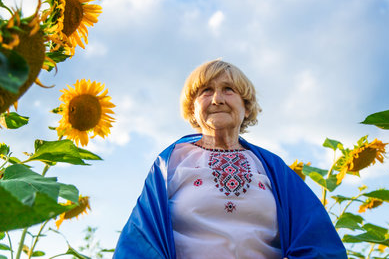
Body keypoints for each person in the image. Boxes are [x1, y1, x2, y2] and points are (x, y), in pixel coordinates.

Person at [113, 59, 347, 258]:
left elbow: (318, 239)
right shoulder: (170, 163)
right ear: (193, 108)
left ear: (246, 106)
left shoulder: (273, 168)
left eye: (228, 90)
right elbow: (139, 242)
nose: (217, 99)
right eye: (206, 91)